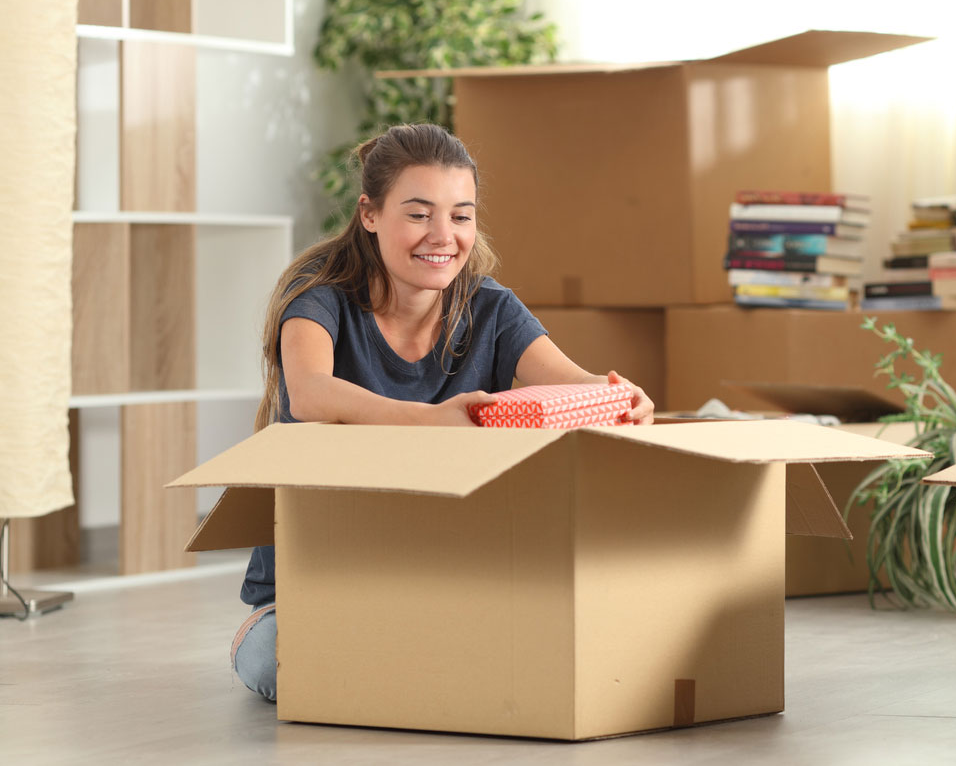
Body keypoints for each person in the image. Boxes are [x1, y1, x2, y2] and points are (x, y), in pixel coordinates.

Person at [230, 123, 654, 701]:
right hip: (320, 581)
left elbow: (573, 385)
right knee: (278, 666)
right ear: (370, 214)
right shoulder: (320, 297)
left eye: (461, 215)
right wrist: (436, 417)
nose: (443, 235)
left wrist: (619, 397)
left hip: (445, 572)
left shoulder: (491, 308)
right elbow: (310, 394)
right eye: (419, 213)